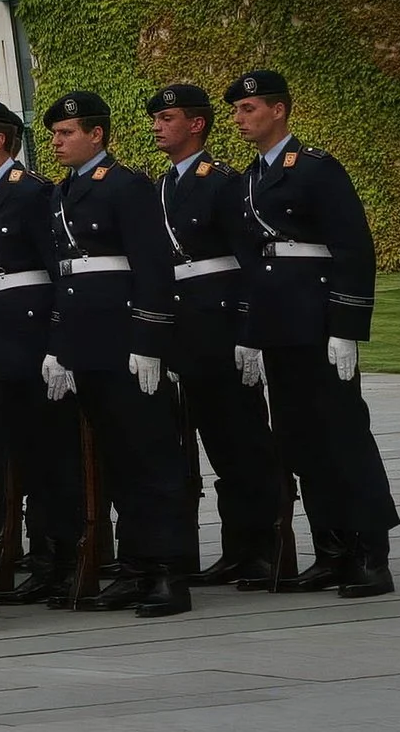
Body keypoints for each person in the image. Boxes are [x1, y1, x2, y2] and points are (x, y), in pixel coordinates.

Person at [226, 69, 398, 597]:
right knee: (300, 441)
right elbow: (253, 263)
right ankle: (332, 551)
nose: (238, 118)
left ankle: (371, 553)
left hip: (318, 320)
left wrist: (345, 326)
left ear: (279, 110)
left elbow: (352, 249)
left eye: (248, 108)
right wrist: (251, 332)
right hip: (279, 326)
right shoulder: (250, 178)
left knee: (343, 436)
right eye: (235, 110)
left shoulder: (317, 168)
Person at [41, 91, 195, 618]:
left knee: (152, 458)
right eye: (55, 134)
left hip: (128, 348)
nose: (56, 142)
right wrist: (59, 349)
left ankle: (168, 572)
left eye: (66, 134)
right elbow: (64, 282)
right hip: (87, 349)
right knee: (118, 462)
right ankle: (135, 568)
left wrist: (150, 342)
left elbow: (154, 270)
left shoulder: (127, 187)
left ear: (97, 135)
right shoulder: (62, 193)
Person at [144, 84, 281, 587]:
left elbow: (251, 262)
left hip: (222, 325)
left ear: (196, 124)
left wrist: (249, 329)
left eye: (168, 118)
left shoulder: (223, 182)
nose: (158, 126)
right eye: (155, 119)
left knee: (243, 441)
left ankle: (266, 546)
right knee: (213, 445)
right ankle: (236, 548)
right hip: (186, 331)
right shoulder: (160, 188)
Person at [0, 99, 82, 606]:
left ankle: (62, 556)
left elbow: (59, 274)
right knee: (19, 454)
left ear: (0, 141)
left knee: (51, 454)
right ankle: (37, 553)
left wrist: (58, 342)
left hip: (31, 336)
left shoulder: (30, 193)